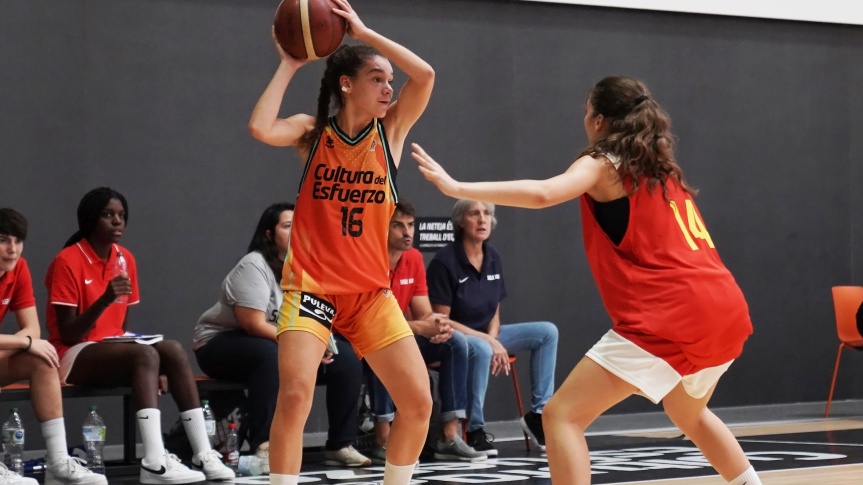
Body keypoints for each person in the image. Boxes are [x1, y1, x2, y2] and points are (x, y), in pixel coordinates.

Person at [411, 75, 761, 484]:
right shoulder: (663, 172)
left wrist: (456, 186)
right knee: (690, 413)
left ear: (598, 120)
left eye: (586, 111)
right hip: (726, 307)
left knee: (561, 417)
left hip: (672, 313)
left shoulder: (603, 164)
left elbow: (544, 193)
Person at [247, 0, 435, 483]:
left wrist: (367, 34)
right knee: (295, 396)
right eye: (377, 77)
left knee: (418, 402)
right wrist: (290, 63)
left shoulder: (389, 134)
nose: (389, 87)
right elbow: (260, 127)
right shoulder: (313, 134)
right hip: (311, 290)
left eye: (390, 80)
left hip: (370, 295)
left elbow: (426, 74)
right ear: (346, 84)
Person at [44, 188, 234, 484]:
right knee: (145, 354)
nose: (117, 222)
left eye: (121, 216)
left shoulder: (125, 259)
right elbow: (68, 334)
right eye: (108, 215)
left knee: (170, 349)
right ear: (90, 219)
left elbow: (118, 328)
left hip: (110, 349)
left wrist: (153, 366)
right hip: (72, 354)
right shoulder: (67, 260)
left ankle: (203, 453)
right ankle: (154, 461)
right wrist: (105, 299)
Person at [193, 202, 371, 468]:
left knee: (345, 356)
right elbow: (253, 324)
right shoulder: (253, 265)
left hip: (281, 342)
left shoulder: (307, 268)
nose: (296, 232)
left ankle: (340, 445)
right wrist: (303, 347)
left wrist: (317, 344)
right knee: (271, 355)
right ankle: (264, 445)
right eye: (288, 227)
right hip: (220, 342)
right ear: (268, 234)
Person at [425, 199, 559, 456]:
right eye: (474, 214)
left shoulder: (493, 257)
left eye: (487, 214)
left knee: (547, 332)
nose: (482, 219)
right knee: (483, 350)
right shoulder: (445, 261)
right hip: (457, 336)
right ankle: (475, 430)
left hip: (487, 334)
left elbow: (494, 313)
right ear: (461, 222)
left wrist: (493, 338)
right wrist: (490, 342)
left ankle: (538, 415)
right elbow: (442, 320)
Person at [366, 200, 485, 463]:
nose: (407, 232)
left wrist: (437, 326)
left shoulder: (414, 258)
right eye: (398, 225)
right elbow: (369, 321)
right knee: (384, 343)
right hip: (368, 337)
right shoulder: (368, 260)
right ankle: (382, 439)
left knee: (456, 342)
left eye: (410, 225)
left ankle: (448, 437)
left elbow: (422, 313)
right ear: (380, 228)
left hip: (403, 335)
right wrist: (420, 326)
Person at [0, 208, 107, 485]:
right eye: (2, 240)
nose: (12, 249)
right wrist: (24, 342)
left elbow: (32, 329)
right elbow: (27, 337)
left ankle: (58, 463)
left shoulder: (18, 267)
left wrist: (26, 344)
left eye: (18, 241)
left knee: (42, 357)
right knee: (33, 347)